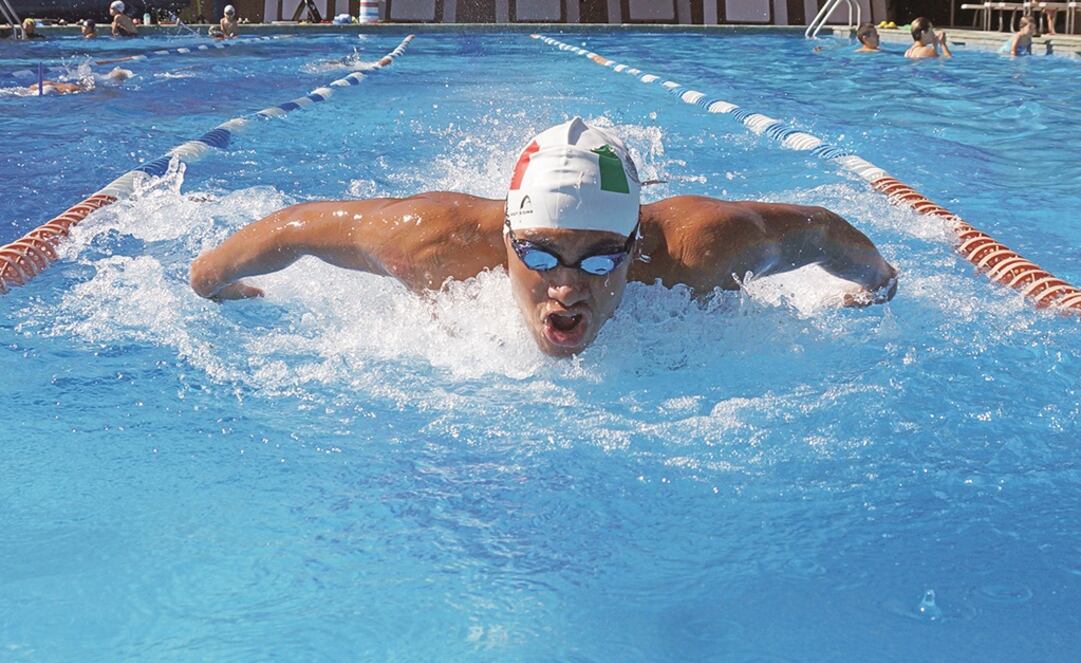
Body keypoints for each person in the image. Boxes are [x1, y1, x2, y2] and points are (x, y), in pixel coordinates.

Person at [189, 118, 898, 357]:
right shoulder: (432, 244)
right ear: (504, 238)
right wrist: (214, 284)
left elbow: (824, 232)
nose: (566, 286)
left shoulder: (695, 251)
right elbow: (290, 230)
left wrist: (877, 287)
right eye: (536, 254)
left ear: (633, 247)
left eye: (598, 257)